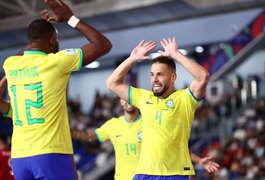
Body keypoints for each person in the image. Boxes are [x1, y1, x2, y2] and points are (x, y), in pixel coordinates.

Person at [2, 0, 112, 179]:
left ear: (31, 41)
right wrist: (70, 18)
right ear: (52, 40)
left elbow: (28, 50)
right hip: (50, 152)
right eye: (57, 38)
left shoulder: (11, 64)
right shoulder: (56, 62)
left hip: (20, 156)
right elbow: (103, 44)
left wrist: (39, 32)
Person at [106, 37, 210, 180]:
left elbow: (203, 77)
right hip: (144, 173)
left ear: (173, 77)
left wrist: (176, 54)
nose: (154, 79)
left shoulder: (185, 98)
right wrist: (132, 59)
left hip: (175, 174)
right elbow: (112, 83)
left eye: (160, 74)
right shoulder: (143, 97)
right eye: (152, 74)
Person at [72, 100, 219, 180]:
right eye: (125, 97)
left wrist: (199, 160)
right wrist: (69, 133)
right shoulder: (112, 125)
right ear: (121, 102)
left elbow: (174, 147)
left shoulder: (151, 122)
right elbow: (90, 136)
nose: (128, 100)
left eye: (131, 97)